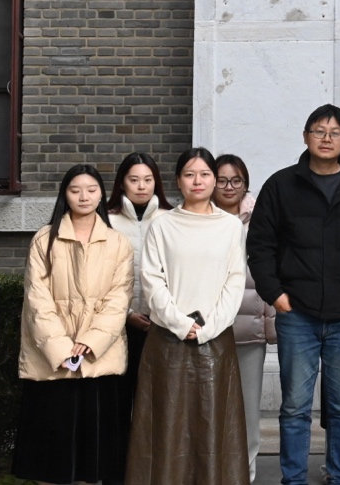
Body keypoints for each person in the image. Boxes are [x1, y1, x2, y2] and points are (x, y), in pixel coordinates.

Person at [248, 104, 340, 485]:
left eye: (335, 132)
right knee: (295, 406)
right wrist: (275, 294)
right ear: (305, 136)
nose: (326, 139)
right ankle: (294, 479)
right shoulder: (281, 185)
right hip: (297, 313)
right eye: (319, 131)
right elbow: (259, 246)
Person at [126, 147, 249, 485]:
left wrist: (208, 327)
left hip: (216, 339)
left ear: (214, 180)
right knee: (166, 427)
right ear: (178, 180)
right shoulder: (162, 224)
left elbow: (234, 280)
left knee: (214, 425)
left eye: (205, 174)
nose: (198, 181)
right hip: (167, 339)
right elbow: (151, 280)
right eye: (190, 174)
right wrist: (181, 324)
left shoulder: (230, 226)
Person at [11, 165, 134, 485]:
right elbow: (36, 298)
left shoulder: (118, 242)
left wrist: (91, 341)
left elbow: (119, 298)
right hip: (51, 359)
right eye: (75, 190)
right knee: (51, 457)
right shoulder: (45, 239)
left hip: (98, 358)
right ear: (64, 194)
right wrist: (61, 347)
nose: (84, 196)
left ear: (102, 194)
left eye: (91, 190)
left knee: (93, 460)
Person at [214, 153, 276, 484]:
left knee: (249, 406)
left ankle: (246, 470)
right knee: (212, 403)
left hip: (249, 325)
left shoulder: (260, 218)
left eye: (236, 180)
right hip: (211, 326)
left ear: (245, 184)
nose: (229, 186)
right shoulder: (202, 218)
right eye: (222, 180)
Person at [105, 152, 173, 412]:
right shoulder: (107, 221)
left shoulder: (171, 218)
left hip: (162, 323)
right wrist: (127, 313)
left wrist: (163, 312)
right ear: (122, 183)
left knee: (157, 400)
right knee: (119, 398)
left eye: (148, 179)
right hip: (117, 323)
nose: (141, 186)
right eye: (134, 180)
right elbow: (101, 276)